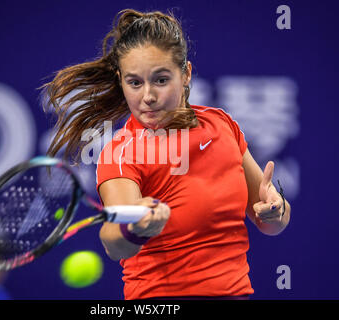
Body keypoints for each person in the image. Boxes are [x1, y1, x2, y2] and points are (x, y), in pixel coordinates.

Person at [40, 8, 291, 300]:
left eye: (161, 80)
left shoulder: (222, 125)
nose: (147, 96)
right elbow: (114, 242)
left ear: (185, 73)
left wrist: (276, 208)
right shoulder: (121, 153)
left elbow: (270, 221)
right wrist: (136, 228)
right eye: (134, 82)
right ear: (121, 80)